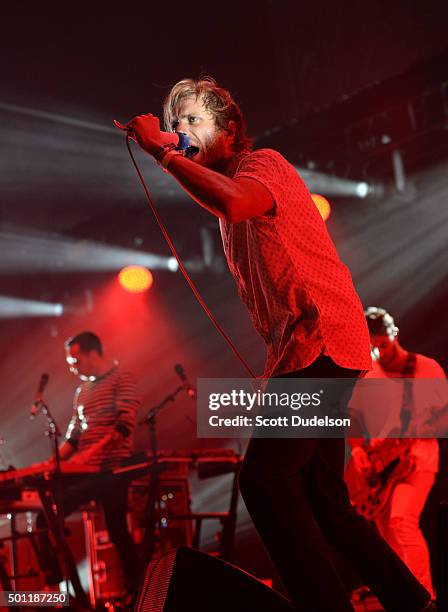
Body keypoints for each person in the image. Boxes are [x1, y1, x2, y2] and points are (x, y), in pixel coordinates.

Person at [127, 77, 433, 611]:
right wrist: (169, 157)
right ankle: (415, 603)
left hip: (323, 339)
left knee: (265, 485)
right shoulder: (222, 196)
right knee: (326, 504)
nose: (182, 131)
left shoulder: (261, 164)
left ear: (229, 129)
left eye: (194, 120)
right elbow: (223, 205)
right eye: (177, 124)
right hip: (307, 349)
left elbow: (237, 203)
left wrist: (163, 154)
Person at [348, 307, 446, 600]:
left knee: (401, 522)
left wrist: (421, 429)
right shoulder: (368, 375)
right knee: (387, 540)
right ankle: (400, 598)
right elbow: (352, 417)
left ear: (395, 334)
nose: (379, 353)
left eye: (383, 345)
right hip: (377, 469)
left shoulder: (426, 368)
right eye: (373, 348)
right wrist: (357, 452)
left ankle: (425, 597)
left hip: (417, 460)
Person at [37, 331, 140, 595]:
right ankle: (63, 585)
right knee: (45, 516)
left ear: (93, 353)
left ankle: (137, 590)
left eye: (75, 359)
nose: (72, 366)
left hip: (113, 469)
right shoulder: (81, 391)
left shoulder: (122, 379)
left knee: (118, 531)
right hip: (87, 470)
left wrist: (89, 453)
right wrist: (52, 462)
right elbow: (73, 436)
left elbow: (123, 427)